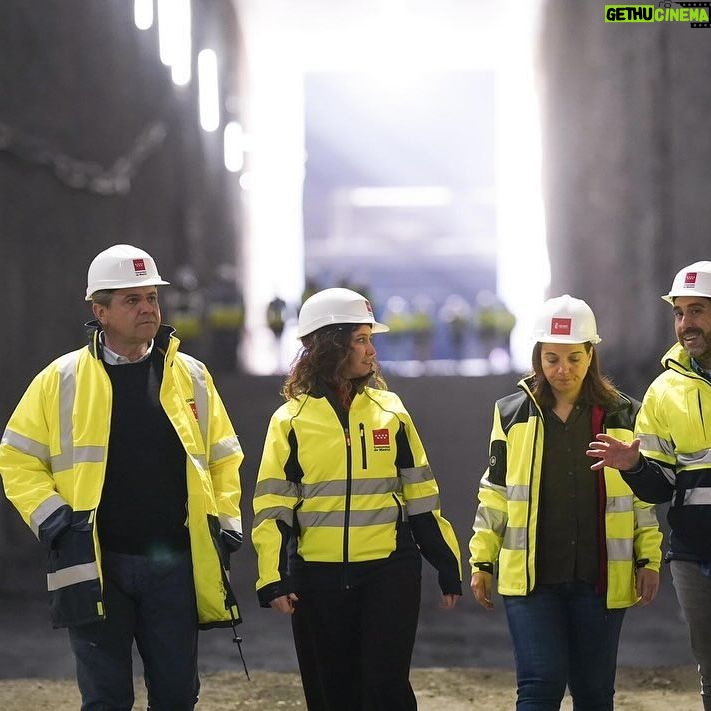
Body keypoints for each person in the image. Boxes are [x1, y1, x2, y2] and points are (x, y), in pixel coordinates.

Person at [0, 244, 245, 711]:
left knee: (176, 695)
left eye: (152, 298)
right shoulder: (61, 379)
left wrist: (226, 520)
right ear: (101, 311)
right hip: (95, 562)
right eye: (132, 301)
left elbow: (223, 456)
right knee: (106, 698)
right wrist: (52, 520)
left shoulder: (191, 376)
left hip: (174, 563)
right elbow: (17, 456)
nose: (148, 309)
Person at [252, 287, 462, 711]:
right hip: (317, 578)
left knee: (386, 690)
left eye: (371, 339)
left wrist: (445, 560)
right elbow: (274, 507)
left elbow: (421, 496)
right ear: (331, 345)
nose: (371, 351)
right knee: (331, 693)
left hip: (390, 572)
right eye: (361, 340)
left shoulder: (391, 412)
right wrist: (271, 576)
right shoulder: (290, 422)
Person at [469, 294, 662, 710]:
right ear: (538, 357)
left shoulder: (622, 415)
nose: (563, 369)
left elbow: (638, 498)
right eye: (552, 358)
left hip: (599, 579)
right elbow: (496, 493)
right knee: (539, 689)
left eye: (574, 357)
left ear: (591, 355)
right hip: (532, 581)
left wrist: (649, 558)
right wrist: (482, 561)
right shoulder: (512, 415)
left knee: (594, 695)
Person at [587, 261, 711, 710]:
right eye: (679, 313)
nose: (685, 324)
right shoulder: (663, 392)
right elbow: (660, 489)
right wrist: (635, 465)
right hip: (695, 554)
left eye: (697, 311)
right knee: (710, 667)